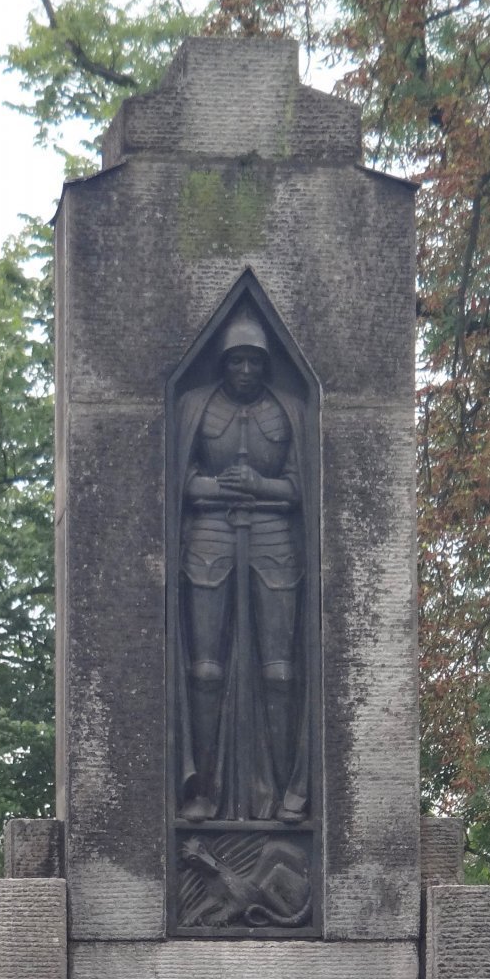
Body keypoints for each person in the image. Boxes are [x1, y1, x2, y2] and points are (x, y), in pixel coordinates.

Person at [175, 309, 310, 822]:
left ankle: (280, 794)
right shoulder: (195, 406)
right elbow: (179, 481)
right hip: (209, 540)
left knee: (280, 674)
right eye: (238, 362)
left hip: (274, 542)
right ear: (225, 364)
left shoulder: (289, 409)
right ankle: (202, 791)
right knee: (205, 671)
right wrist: (215, 487)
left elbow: (301, 485)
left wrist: (262, 487)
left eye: (255, 361)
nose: (247, 371)